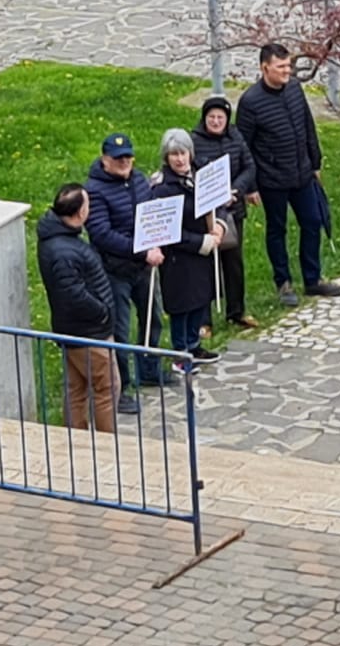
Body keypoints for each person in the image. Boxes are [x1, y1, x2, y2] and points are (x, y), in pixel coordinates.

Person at [237, 43, 340, 307]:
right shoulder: (250, 102)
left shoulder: (295, 89)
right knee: (277, 229)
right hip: (272, 179)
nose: (287, 71)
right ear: (265, 68)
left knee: (312, 221)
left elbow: (307, 125)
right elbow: (243, 147)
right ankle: (283, 282)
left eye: (288, 66)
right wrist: (250, 186)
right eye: (281, 67)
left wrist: (314, 161)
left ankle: (312, 278)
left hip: (302, 173)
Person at [83, 131, 167, 410]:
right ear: (105, 160)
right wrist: (144, 249)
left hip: (144, 267)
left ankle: (150, 370)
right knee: (119, 329)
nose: (125, 161)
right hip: (114, 270)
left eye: (128, 156)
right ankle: (121, 387)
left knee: (153, 318)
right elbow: (102, 234)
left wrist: (158, 238)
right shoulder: (94, 191)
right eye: (118, 158)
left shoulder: (140, 180)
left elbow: (151, 215)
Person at [37, 183, 119, 433]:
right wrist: (102, 311)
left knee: (76, 388)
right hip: (89, 333)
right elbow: (73, 293)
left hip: (74, 331)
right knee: (107, 388)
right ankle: (106, 444)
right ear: (79, 212)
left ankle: (75, 441)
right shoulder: (63, 251)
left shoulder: (56, 240)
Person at [149, 129, 226, 363]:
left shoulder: (202, 176)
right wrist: (200, 242)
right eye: (174, 155)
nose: (180, 159)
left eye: (182, 153)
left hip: (203, 251)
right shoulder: (162, 189)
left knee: (200, 299)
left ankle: (194, 345)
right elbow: (166, 230)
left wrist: (219, 225)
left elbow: (218, 201)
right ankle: (180, 351)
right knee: (182, 305)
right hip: (179, 256)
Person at [190, 95, 258, 328]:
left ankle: (236, 311)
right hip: (206, 213)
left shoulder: (236, 137)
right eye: (211, 117)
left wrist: (236, 189)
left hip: (232, 209)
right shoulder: (194, 141)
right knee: (207, 264)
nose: (216, 121)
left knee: (234, 262)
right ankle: (204, 320)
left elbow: (249, 166)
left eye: (220, 117)